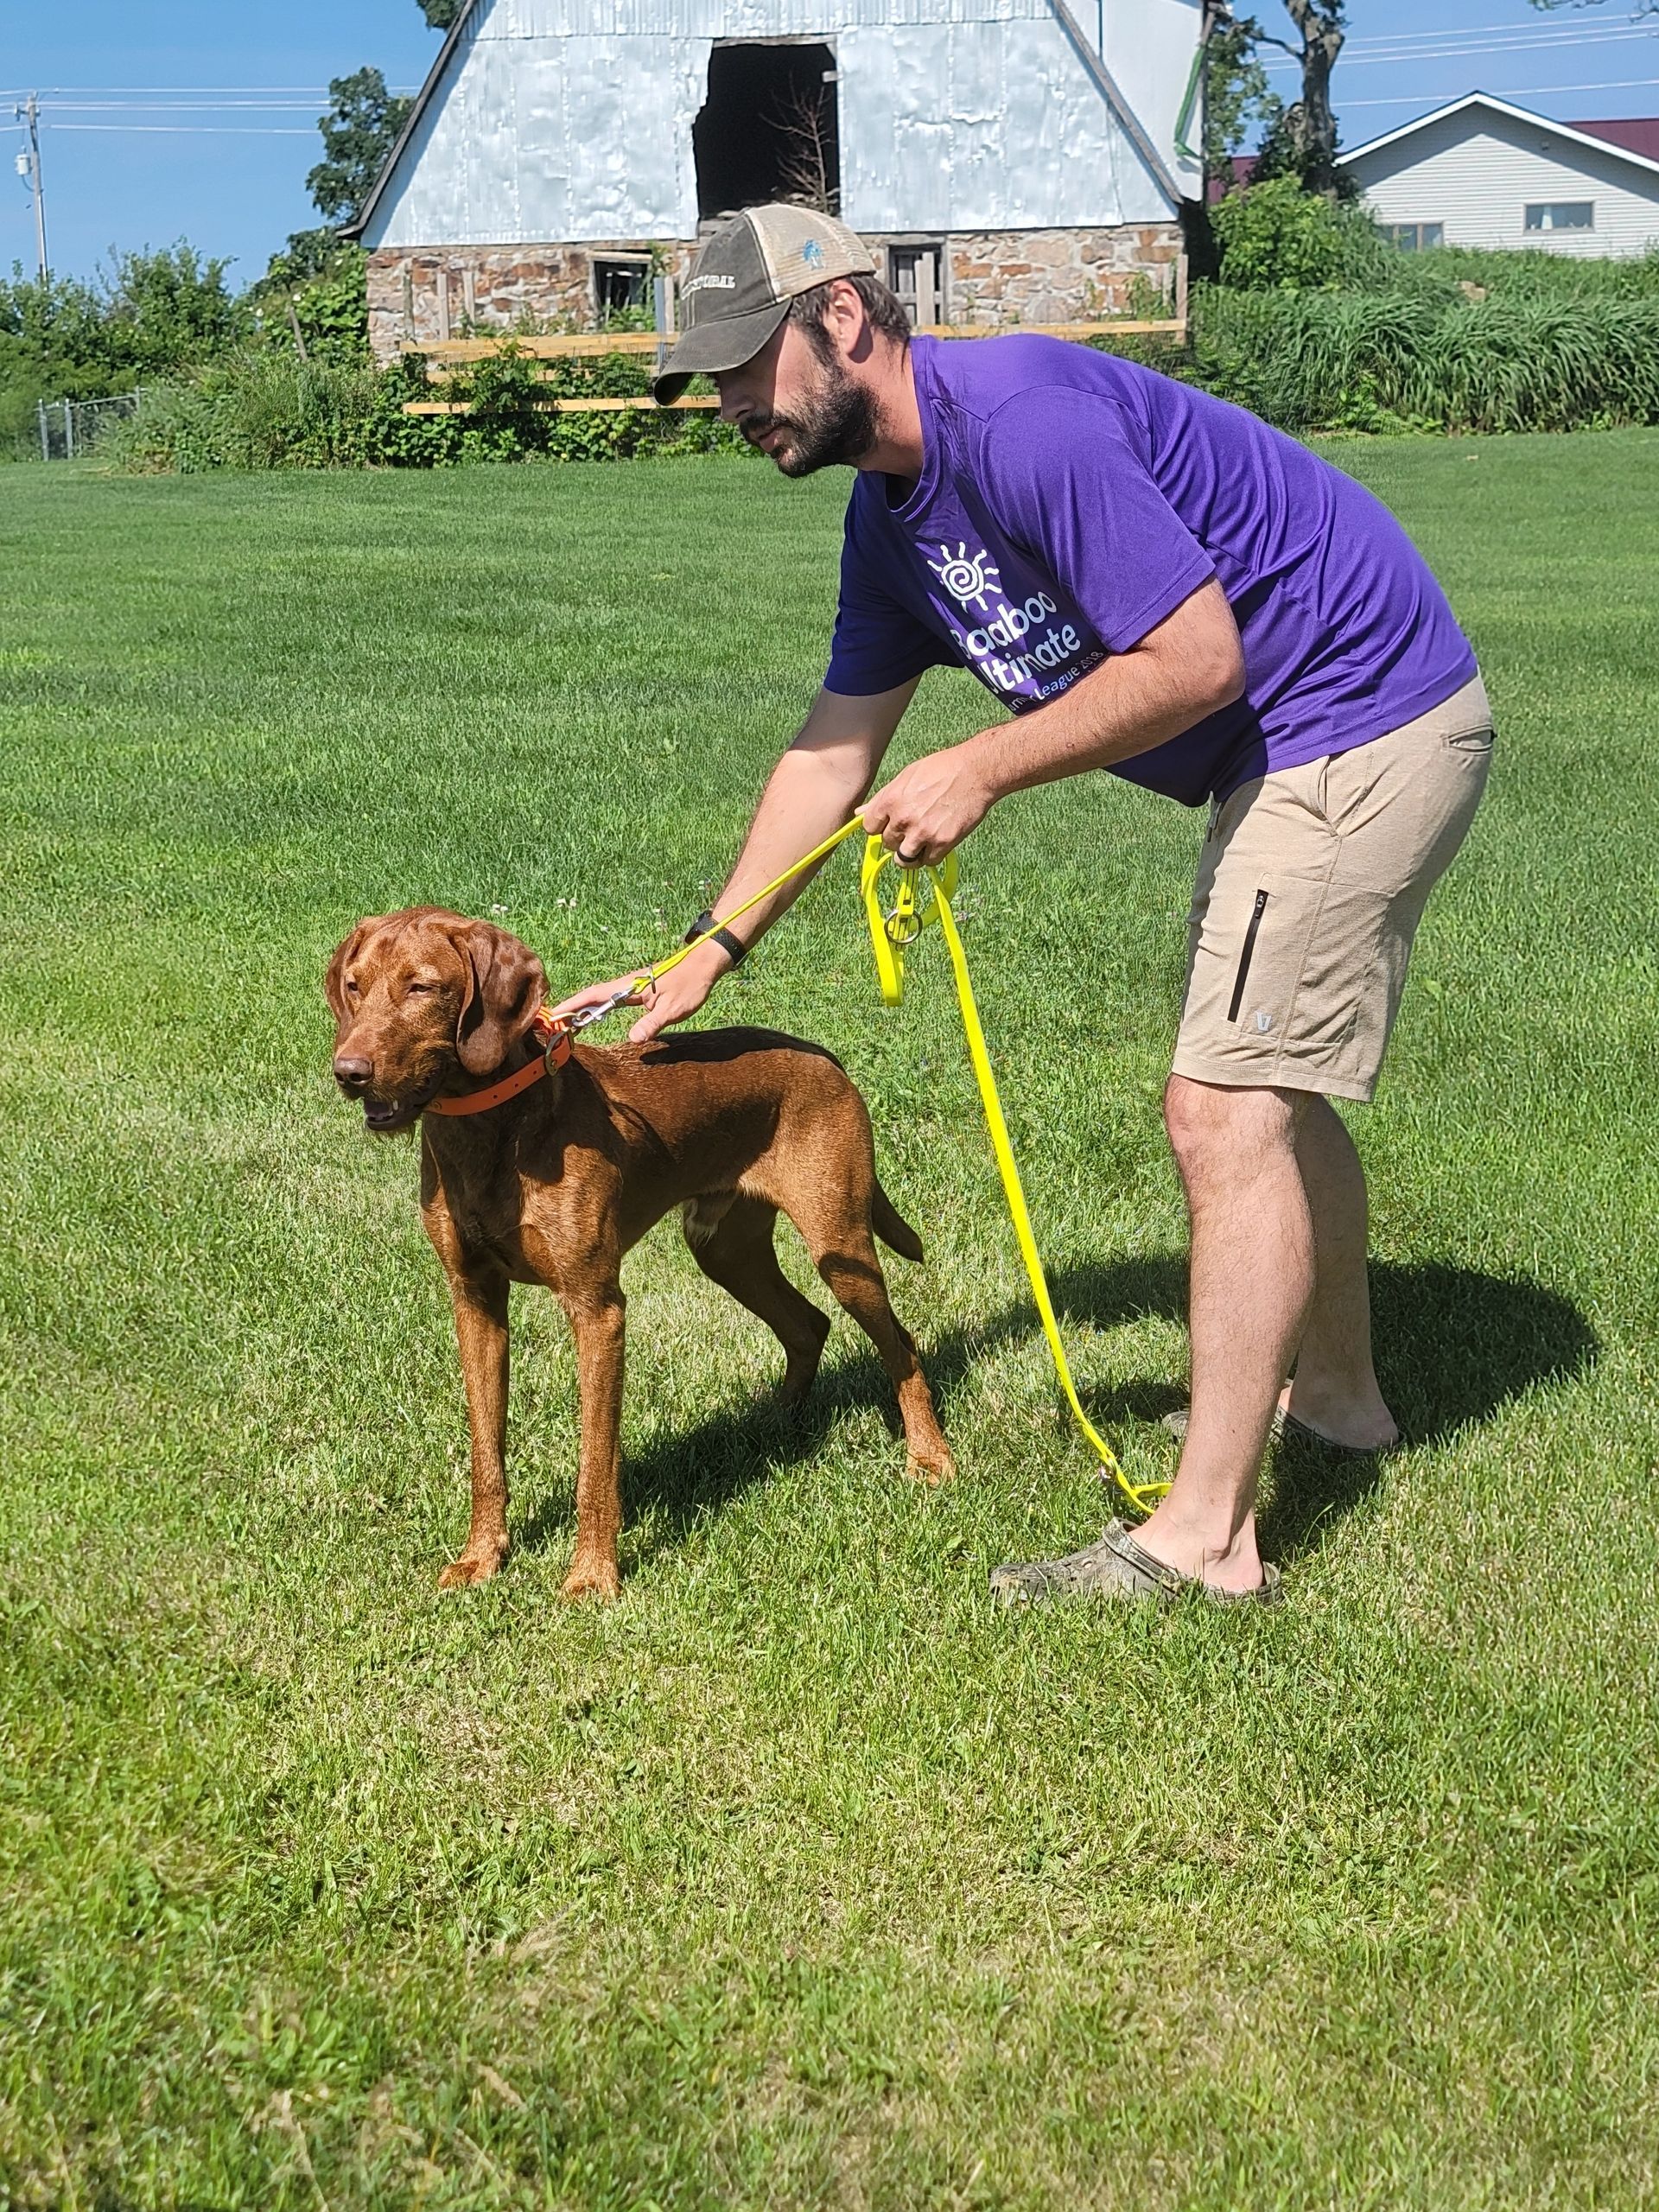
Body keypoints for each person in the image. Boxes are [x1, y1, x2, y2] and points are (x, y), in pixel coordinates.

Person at [554, 205, 1493, 1608]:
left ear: (846, 321)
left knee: (1223, 1107)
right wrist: (710, 948)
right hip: (1285, 739)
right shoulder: (890, 521)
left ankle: (1207, 1543)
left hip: (1363, 712)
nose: (729, 404)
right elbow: (830, 749)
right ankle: (1339, 1401)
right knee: (1268, 1089)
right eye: (710, 376)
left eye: (747, 363)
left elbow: (1196, 656)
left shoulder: (1023, 421)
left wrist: (984, 763)